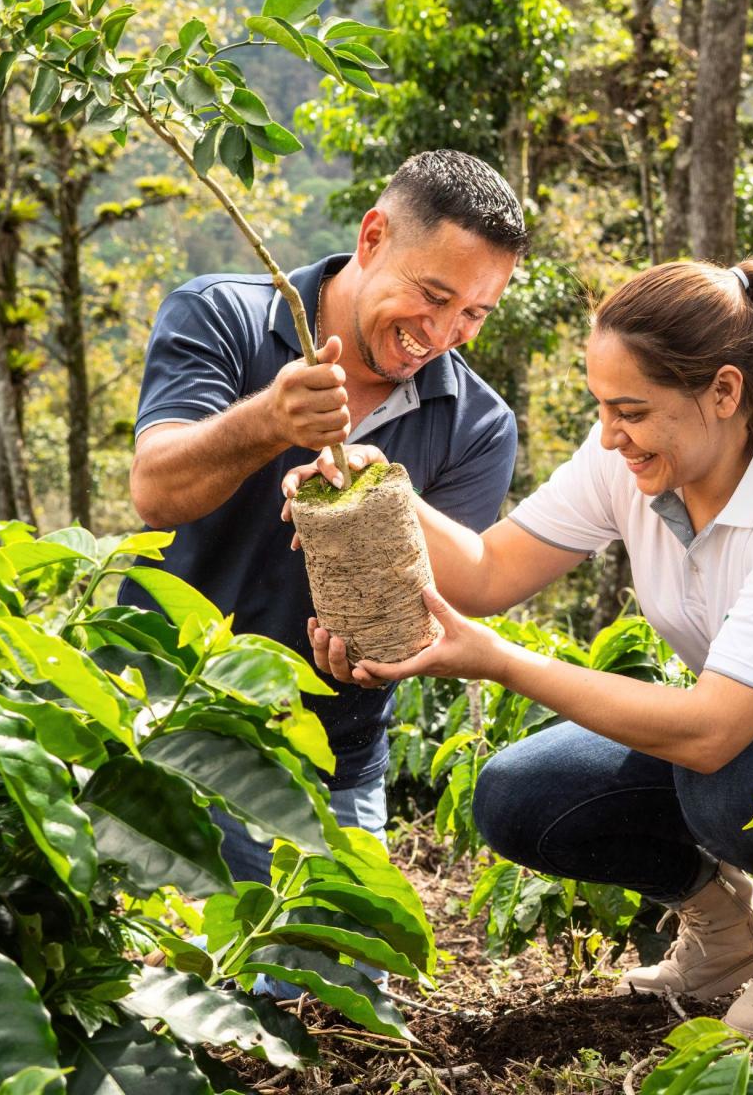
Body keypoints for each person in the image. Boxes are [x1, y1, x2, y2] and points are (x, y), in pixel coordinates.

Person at [285, 258, 753, 1042]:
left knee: (722, 774)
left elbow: (712, 730)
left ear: (725, 392)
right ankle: (731, 930)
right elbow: (489, 572)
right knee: (520, 796)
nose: (610, 436)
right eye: (602, 407)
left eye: (630, 411)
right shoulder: (633, 459)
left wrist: (501, 660)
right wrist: (383, 493)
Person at [122, 149, 526, 882]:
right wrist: (270, 420)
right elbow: (155, 489)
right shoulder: (221, 316)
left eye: (473, 313)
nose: (441, 332)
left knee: (341, 991)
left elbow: (442, 599)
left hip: (332, 761)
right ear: (373, 238)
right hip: (162, 730)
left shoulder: (478, 425)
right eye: (432, 295)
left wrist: (385, 654)